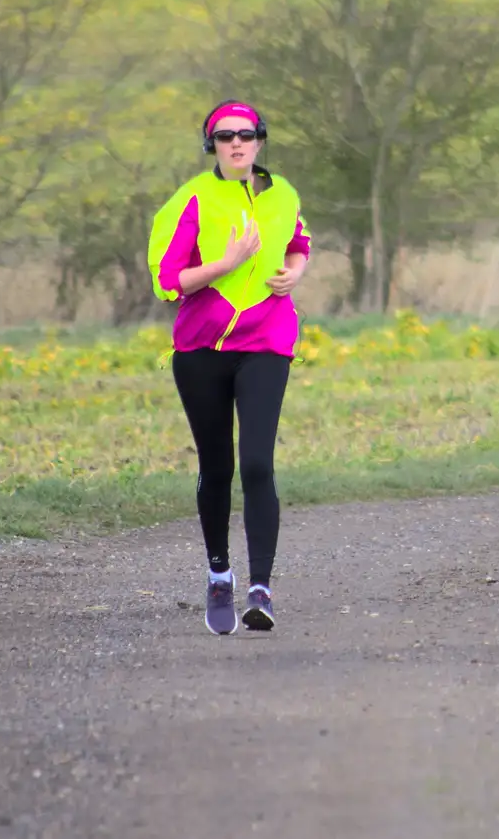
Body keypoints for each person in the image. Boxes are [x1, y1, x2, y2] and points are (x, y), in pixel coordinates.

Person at [147, 100, 311, 634]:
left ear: (260, 140)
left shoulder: (282, 194)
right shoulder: (190, 199)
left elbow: (299, 241)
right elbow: (167, 281)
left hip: (266, 338)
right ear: (211, 145)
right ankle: (219, 574)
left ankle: (261, 589)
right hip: (200, 349)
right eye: (224, 137)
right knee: (218, 469)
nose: (236, 143)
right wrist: (226, 263)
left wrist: (294, 271)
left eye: (245, 135)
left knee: (258, 464)